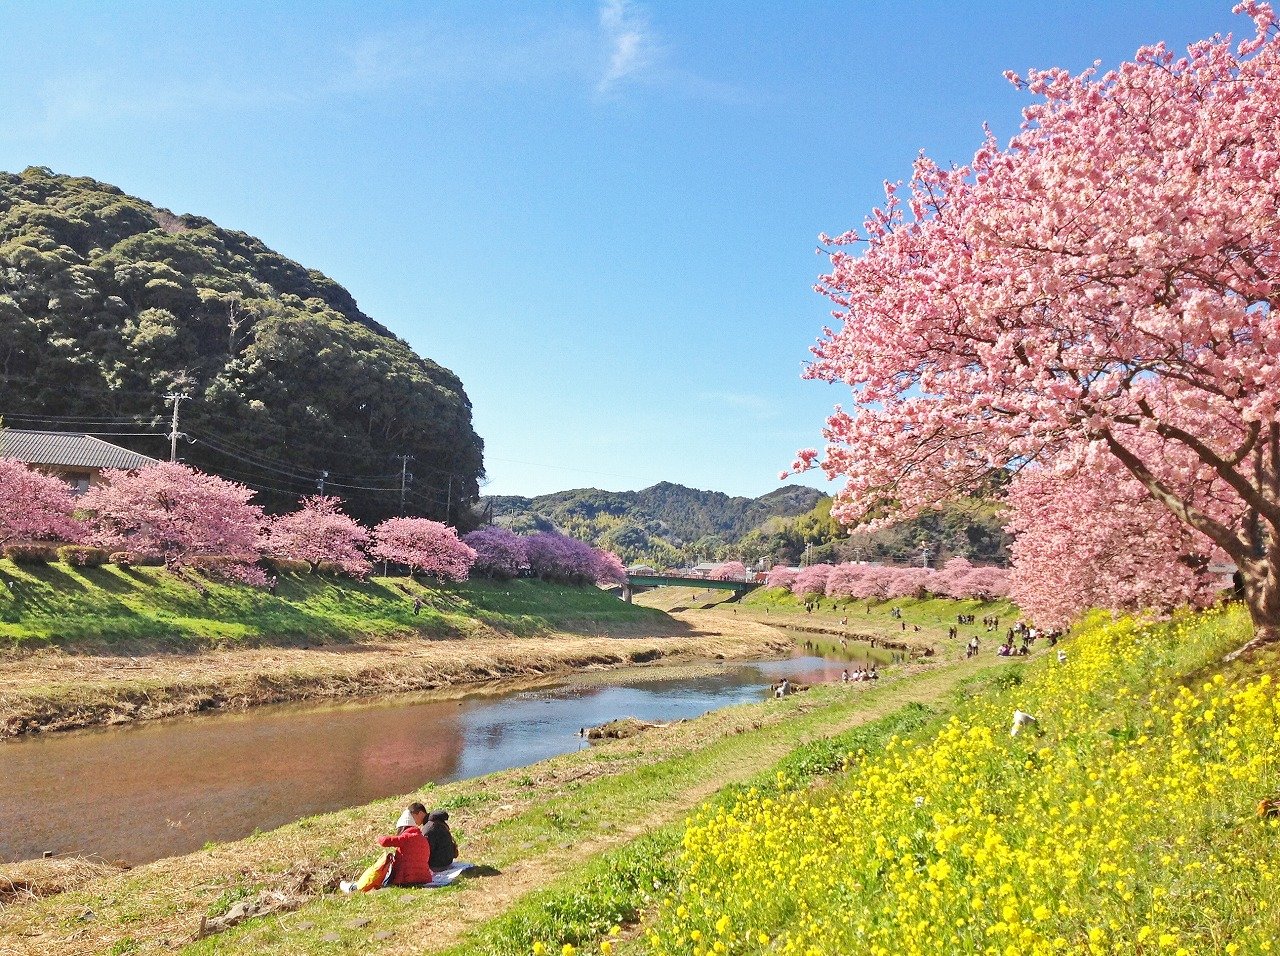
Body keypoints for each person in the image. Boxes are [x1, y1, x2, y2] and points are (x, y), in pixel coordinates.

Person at [376, 820, 434, 885]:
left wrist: (379, 838)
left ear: (402, 828)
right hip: (424, 877)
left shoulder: (406, 837)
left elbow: (385, 842)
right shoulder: (423, 838)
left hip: (406, 878)